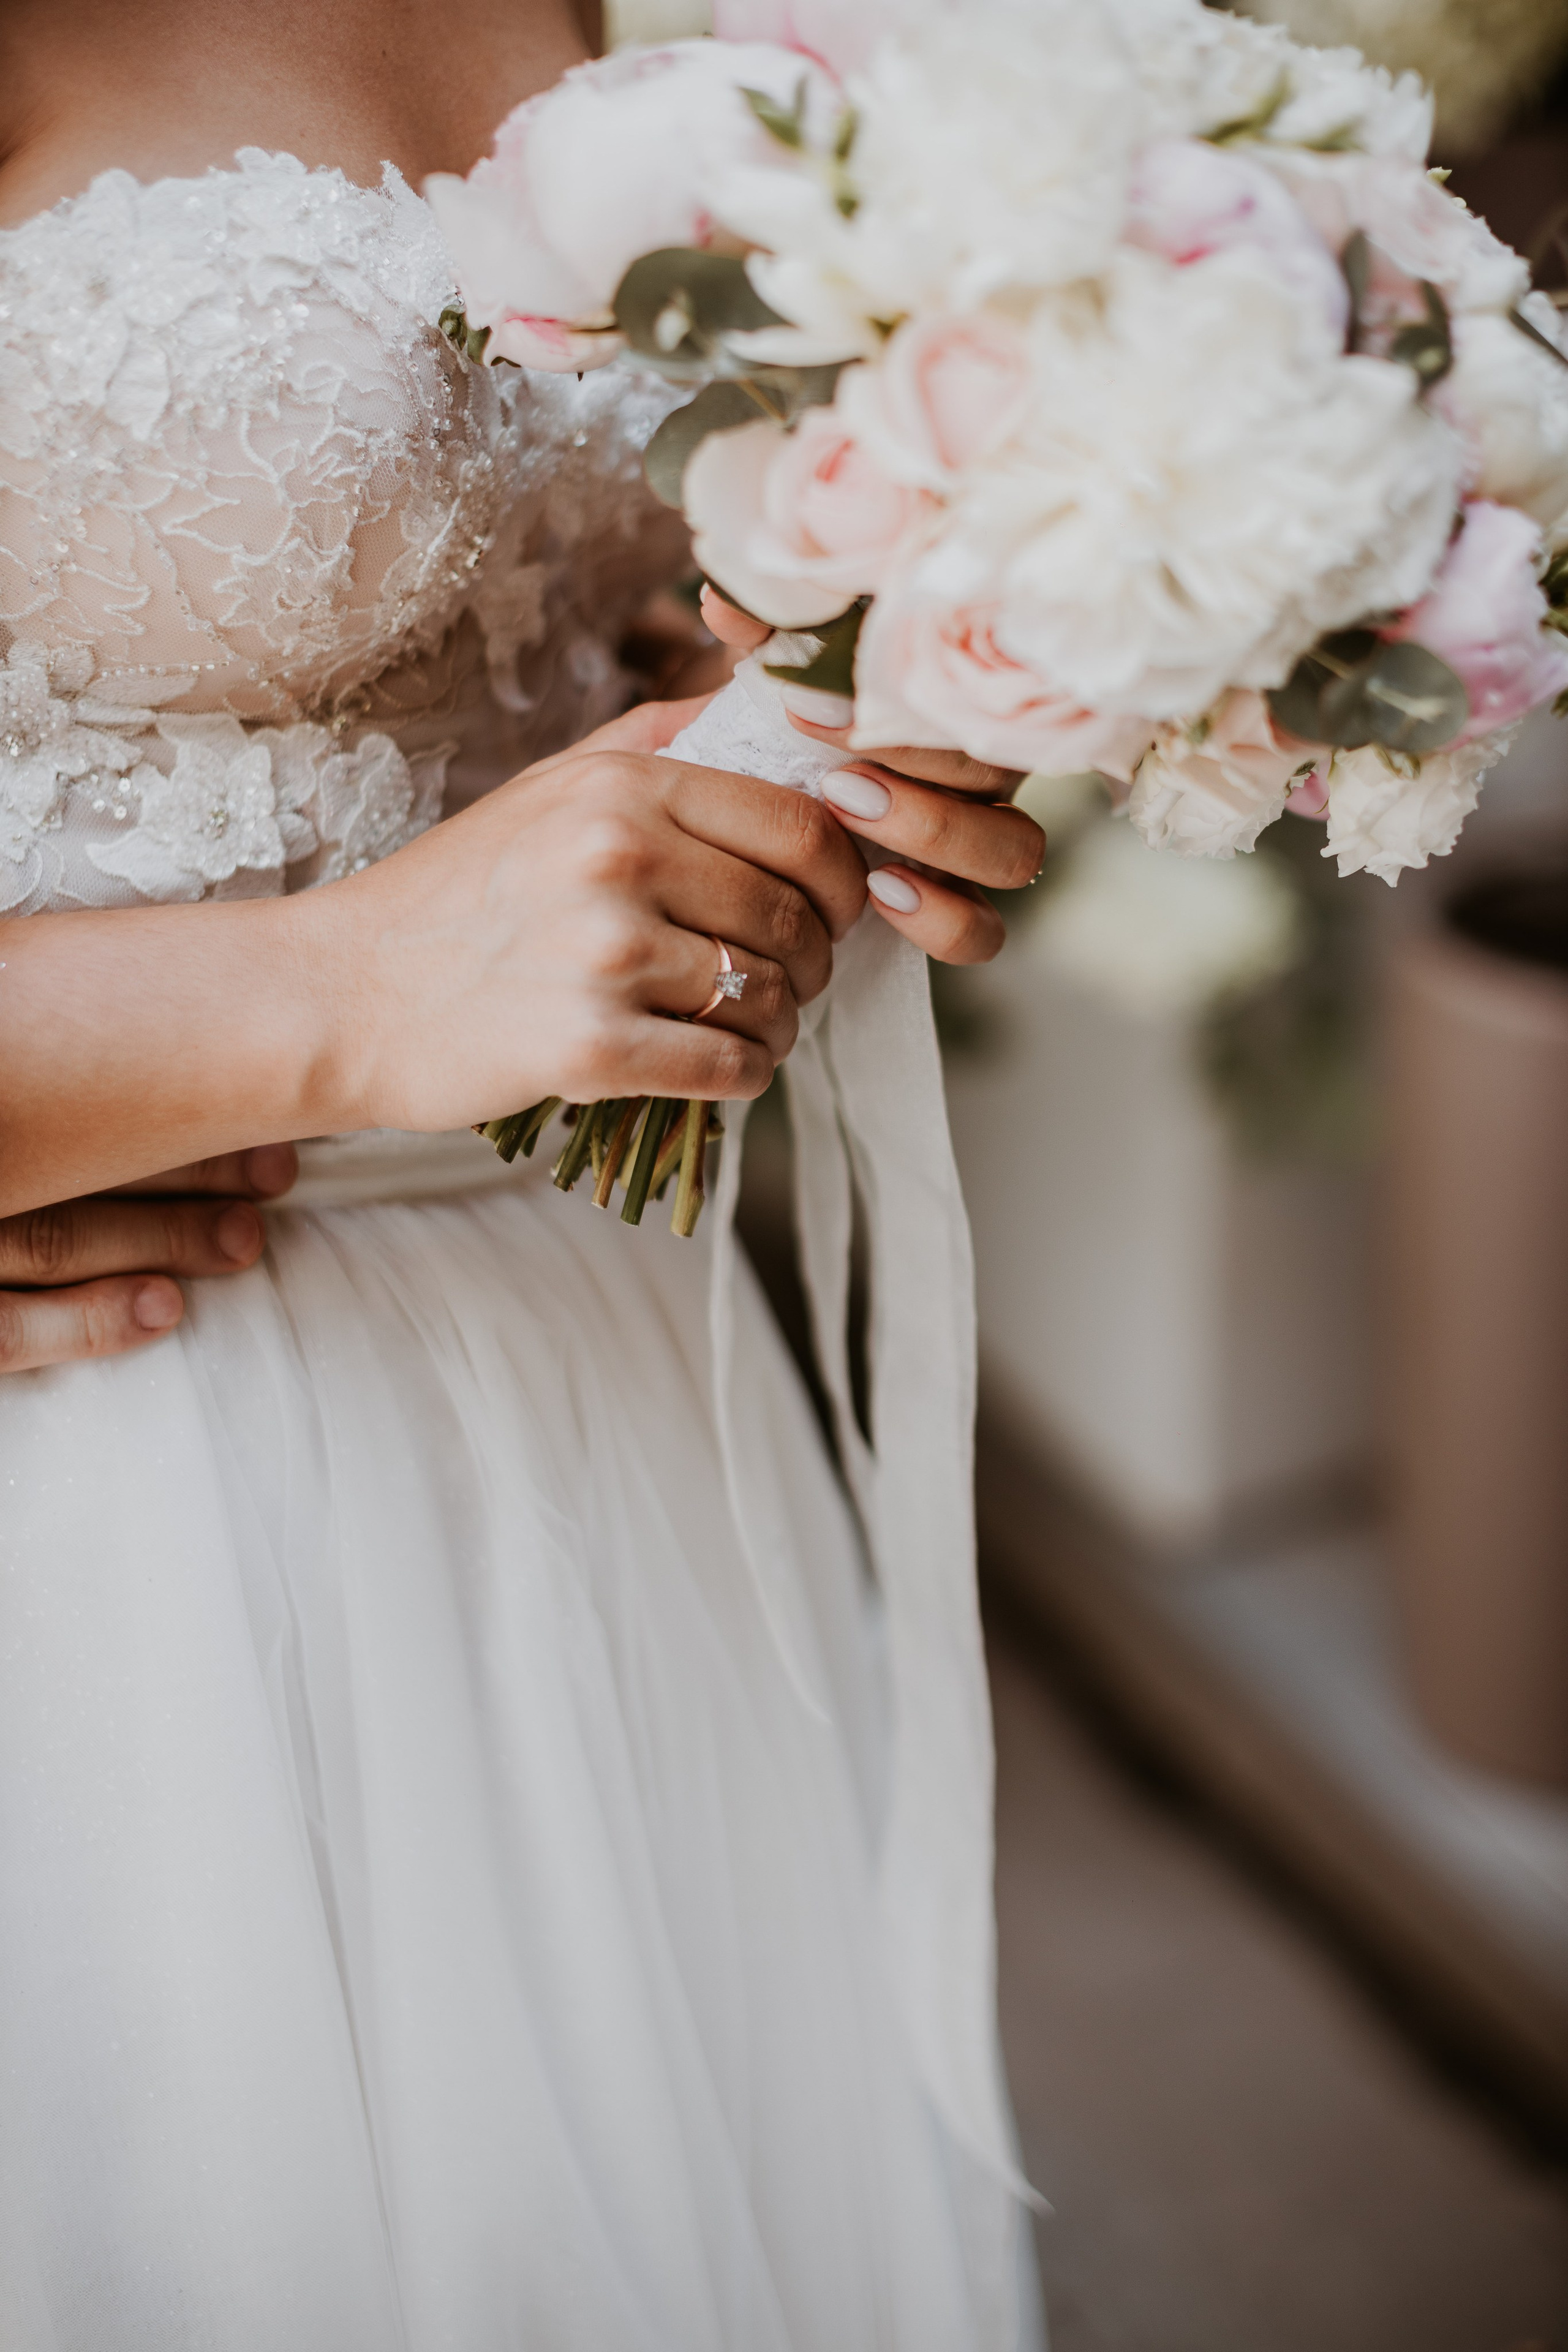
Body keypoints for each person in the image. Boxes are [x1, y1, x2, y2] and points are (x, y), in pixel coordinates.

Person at [0, 2, 1046, 2342]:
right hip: (114, 1482)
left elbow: (494, 619)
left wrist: (750, 709)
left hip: (588, 1402)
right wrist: (345, 993)